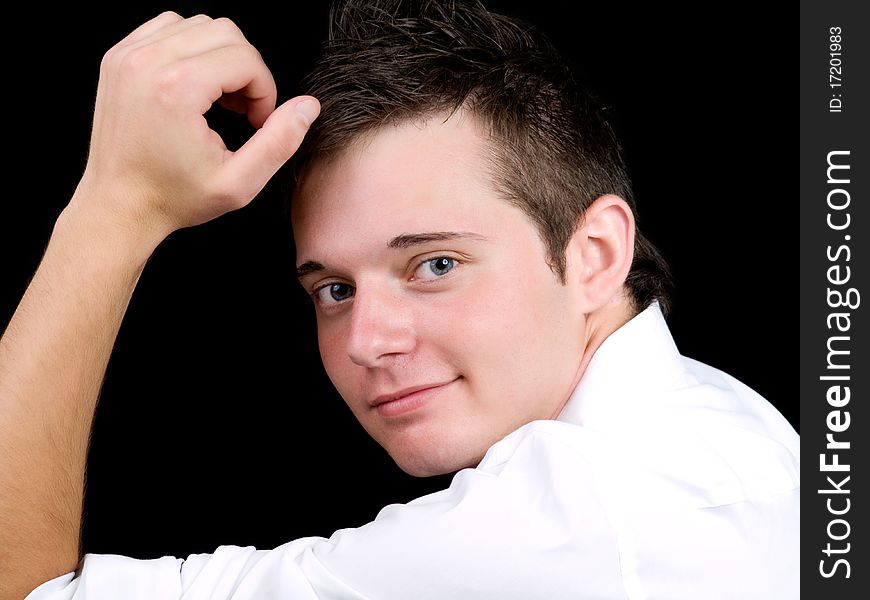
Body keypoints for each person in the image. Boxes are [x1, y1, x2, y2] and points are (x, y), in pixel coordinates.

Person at [1, 1, 799, 598]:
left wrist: (114, 205)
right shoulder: (733, 420)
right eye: (335, 289)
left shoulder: (568, 522)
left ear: (595, 256)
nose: (364, 342)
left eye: (435, 265)